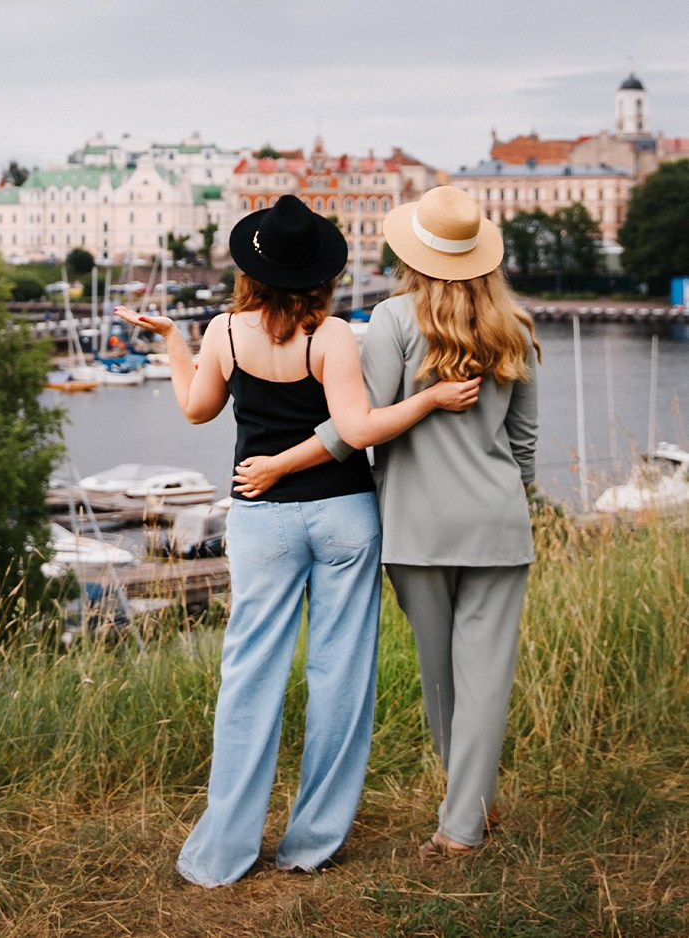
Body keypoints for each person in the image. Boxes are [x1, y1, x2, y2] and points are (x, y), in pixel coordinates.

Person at [119, 193, 479, 883]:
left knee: (250, 676)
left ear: (250, 269)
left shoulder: (223, 331)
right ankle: (311, 845)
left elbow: (196, 409)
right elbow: (359, 430)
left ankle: (223, 854)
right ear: (322, 274)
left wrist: (173, 341)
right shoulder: (333, 335)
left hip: (262, 518)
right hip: (344, 514)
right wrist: (431, 399)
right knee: (340, 675)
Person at [255, 184, 540, 860]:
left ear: (415, 254)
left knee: (441, 676)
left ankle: (462, 824)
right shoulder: (517, 327)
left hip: (416, 529)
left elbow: (357, 427)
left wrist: (280, 464)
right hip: (497, 524)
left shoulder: (393, 320)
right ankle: (470, 807)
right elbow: (525, 448)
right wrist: (502, 495)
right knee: (485, 679)